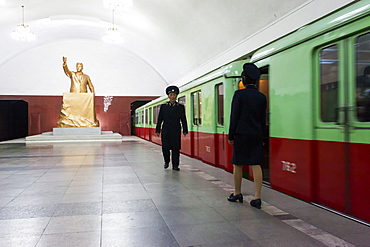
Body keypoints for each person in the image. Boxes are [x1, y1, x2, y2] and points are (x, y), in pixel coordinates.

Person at [227, 63, 267, 209]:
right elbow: (263, 120)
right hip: (256, 135)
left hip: (241, 134)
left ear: (244, 78)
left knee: (238, 163)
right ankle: (257, 197)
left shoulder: (239, 94)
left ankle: (237, 193)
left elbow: (234, 116)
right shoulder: (261, 97)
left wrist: (231, 135)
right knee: (256, 164)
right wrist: (262, 137)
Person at [155, 86, 188, 171]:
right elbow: (160, 118)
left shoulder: (180, 107)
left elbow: (183, 118)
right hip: (166, 130)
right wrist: (158, 129)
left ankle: (175, 165)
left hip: (176, 130)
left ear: (176, 96)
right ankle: (166, 161)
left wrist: (185, 129)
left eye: (174, 95)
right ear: (168, 96)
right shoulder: (163, 106)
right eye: (171, 94)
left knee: (176, 148)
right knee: (165, 148)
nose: (173, 96)